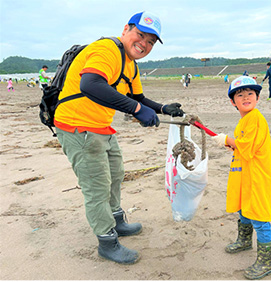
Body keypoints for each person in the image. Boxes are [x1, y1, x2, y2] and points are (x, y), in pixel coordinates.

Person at [54, 11, 184, 265]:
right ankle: (107, 242)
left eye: (150, 42)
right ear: (126, 29)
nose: (144, 44)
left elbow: (137, 98)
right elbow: (90, 84)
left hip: (101, 127)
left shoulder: (130, 64)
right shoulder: (107, 50)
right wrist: (136, 110)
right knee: (97, 186)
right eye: (140, 35)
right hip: (78, 127)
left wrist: (162, 108)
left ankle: (116, 220)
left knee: (115, 174)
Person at [211, 76, 271, 280]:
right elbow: (242, 146)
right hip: (244, 175)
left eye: (250, 93)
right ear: (233, 102)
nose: (246, 97)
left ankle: (266, 261)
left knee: (259, 217)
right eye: (240, 95)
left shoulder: (255, 118)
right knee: (243, 209)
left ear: (257, 97)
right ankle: (245, 241)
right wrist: (229, 142)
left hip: (256, 177)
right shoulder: (244, 121)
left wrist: (227, 140)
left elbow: (246, 146)